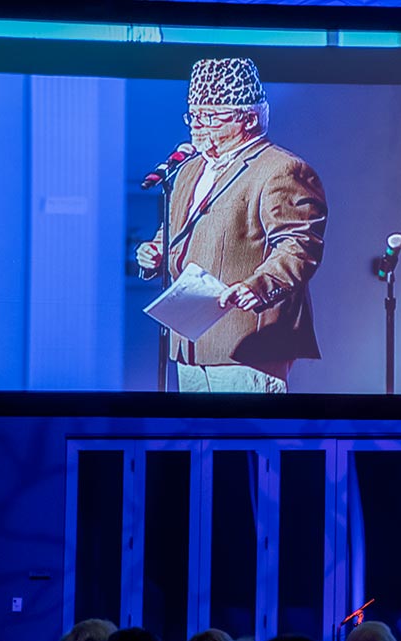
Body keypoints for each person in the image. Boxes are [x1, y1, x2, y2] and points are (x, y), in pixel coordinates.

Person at [135, 57, 328, 393]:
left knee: (244, 441)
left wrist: (260, 285)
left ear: (249, 118)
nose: (198, 127)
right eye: (194, 116)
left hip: (247, 341)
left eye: (210, 118)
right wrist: (157, 251)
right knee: (197, 443)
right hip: (188, 342)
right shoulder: (189, 169)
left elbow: (299, 245)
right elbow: (177, 229)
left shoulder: (281, 169)